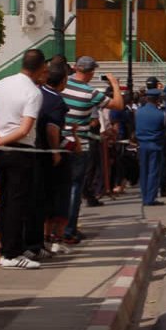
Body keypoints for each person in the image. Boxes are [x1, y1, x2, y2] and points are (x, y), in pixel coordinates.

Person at [0, 49, 48, 269]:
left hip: (1, 150)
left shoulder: (1, 84)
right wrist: (0, 141)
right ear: (41, 68)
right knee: (17, 203)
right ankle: (10, 253)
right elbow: (24, 129)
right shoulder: (33, 92)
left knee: (6, 201)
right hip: (20, 150)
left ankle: (11, 248)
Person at [61, 57, 123, 243]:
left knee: (60, 187)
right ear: (90, 72)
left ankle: (58, 228)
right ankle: (69, 229)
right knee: (75, 187)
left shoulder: (63, 85)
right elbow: (118, 105)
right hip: (79, 144)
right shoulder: (90, 93)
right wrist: (114, 84)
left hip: (59, 142)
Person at [28, 63, 69, 260]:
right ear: (63, 81)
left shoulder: (38, 92)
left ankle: (37, 242)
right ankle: (37, 244)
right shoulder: (56, 100)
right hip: (44, 156)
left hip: (31, 150)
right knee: (43, 200)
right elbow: (52, 129)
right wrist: (56, 152)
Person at [136, 88, 166, 206]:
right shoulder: (161, 114)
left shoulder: (138, 112)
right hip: (155, 145)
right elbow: (165, 128)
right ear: (158, 99)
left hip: (142, 144)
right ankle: (150, 197)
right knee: (153, 172)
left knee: (144, 171)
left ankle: (145, 196)